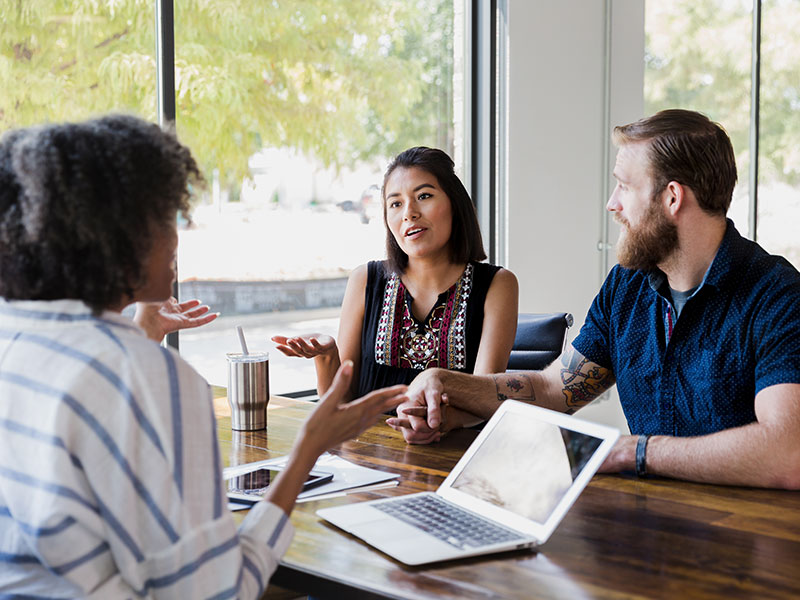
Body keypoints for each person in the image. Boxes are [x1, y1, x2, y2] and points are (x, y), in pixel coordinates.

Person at [0, 115, 407, 597]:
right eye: (166, 218)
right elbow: (216, 592)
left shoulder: (18, 336)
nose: (177, 238)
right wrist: (306, 452)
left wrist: (140, 333)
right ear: (120, 235)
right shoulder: (149, 376)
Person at [388, 109, 800, 488]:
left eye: (624, 186)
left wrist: (632, 451)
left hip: (747, 540)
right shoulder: (627, 285)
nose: (612, 203)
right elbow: (554, 391)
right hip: (646, 523)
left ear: (672, 197)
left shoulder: (778, 296)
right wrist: (446, 385)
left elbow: (788, 452)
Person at [272, 147, 518, 429]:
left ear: (454, 203)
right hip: (369, 461)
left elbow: (486, 400)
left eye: (424, 196)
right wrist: (327, 356)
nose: (409, 213)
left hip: (455, 457)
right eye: (395, 204)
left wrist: (435, 423)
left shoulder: (498, 284)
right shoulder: (365, 279)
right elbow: (340, 407)